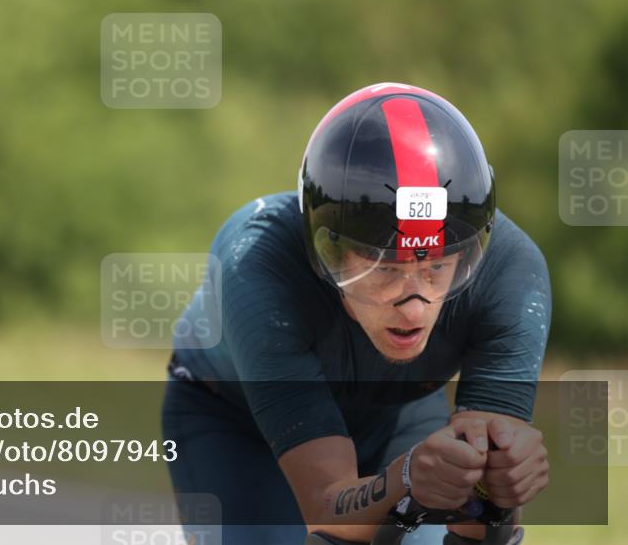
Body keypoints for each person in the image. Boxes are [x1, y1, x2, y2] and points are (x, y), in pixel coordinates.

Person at [162, 83, 550, 545]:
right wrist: (406, 477)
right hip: (236, 422)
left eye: (438, 267)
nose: (415, 303)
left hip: (395, 410)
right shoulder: (257, 267)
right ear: (327, 251)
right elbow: (329, 512)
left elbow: (478, 523)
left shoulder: (510, 271)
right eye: (385, 267)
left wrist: (499, 492)